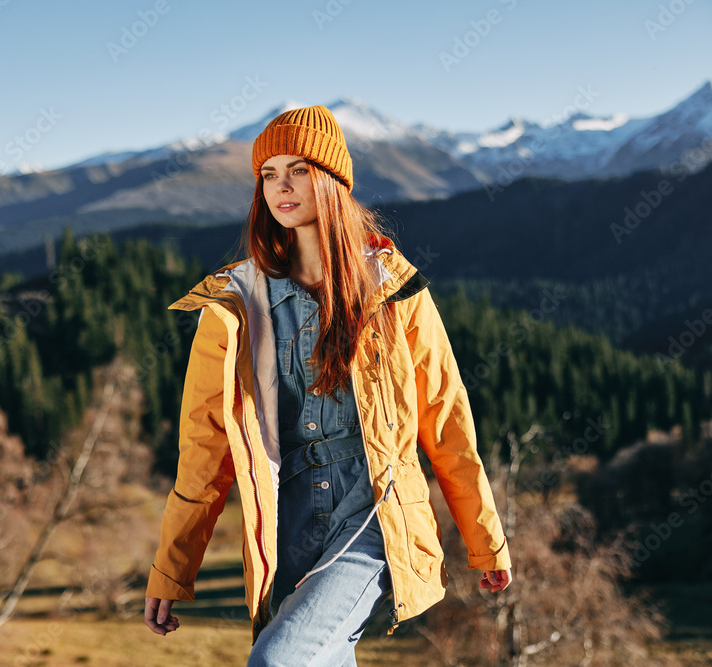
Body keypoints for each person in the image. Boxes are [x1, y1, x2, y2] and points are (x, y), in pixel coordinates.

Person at [143, 105, 512, 665]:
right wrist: (173, 568)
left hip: (372, 514)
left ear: (334, 181)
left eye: (299, 170)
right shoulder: (234, 305)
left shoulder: (392, 287)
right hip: (283, 518)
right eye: (269, 174)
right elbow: (204, 446)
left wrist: (485, 539)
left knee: (276, 661)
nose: (281, 187)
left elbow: (445, 417)